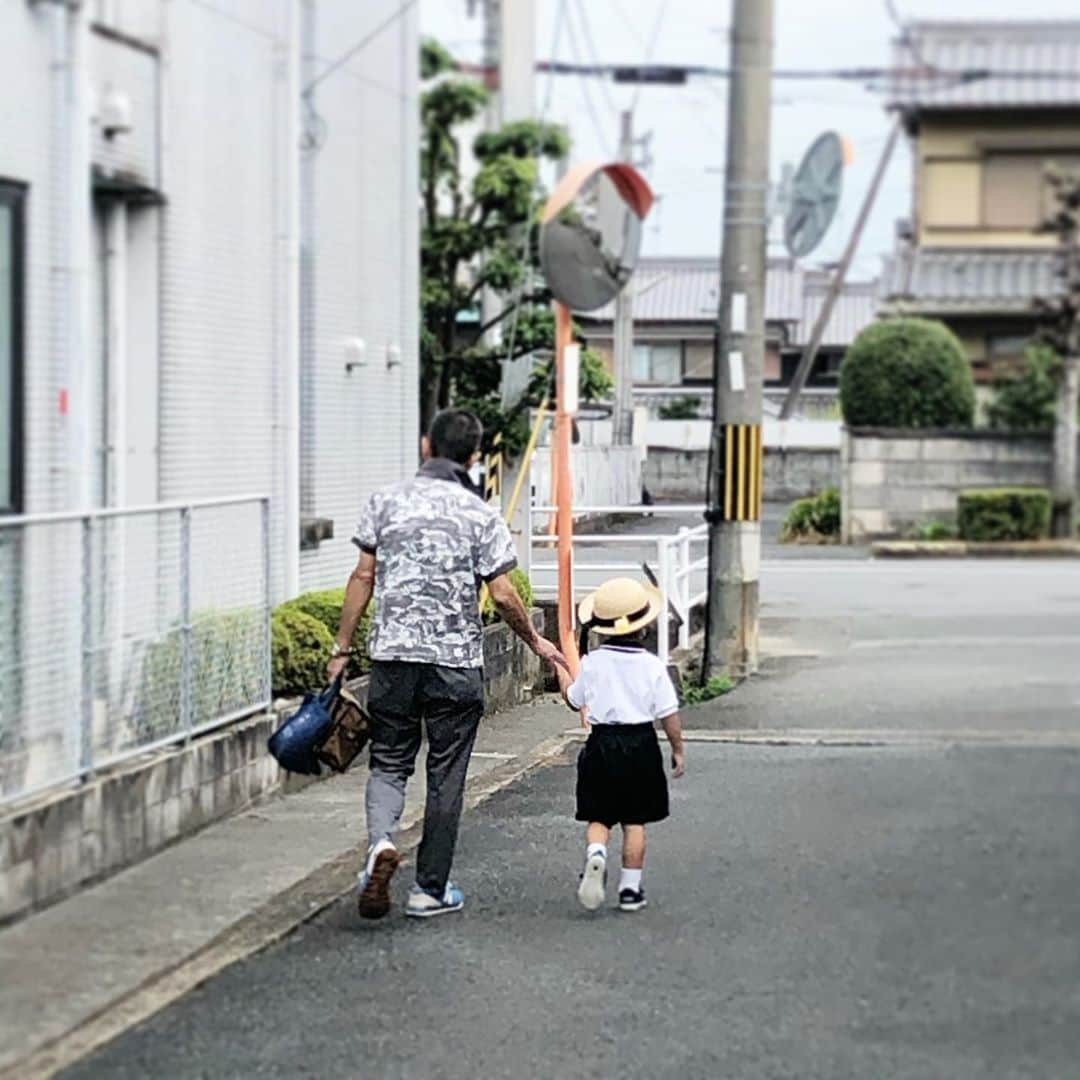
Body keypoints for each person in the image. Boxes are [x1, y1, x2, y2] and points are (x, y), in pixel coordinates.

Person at [328, 409, 568, 920]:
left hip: (393, 659)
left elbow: (363, 576)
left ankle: (380, 847)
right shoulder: (480, 513)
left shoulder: (385, 502)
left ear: (424, 445)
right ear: (475, 457)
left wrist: (341, 648)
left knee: (390, 762)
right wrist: (536, 642)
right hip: (455, 664)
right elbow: (503, 594)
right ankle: (429, 889)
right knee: (445, 775)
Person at [555, 577, 685, 913]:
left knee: (599, 816)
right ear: (643, 628)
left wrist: (560, 669)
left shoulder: (594, 663)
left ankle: (596, 853)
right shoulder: (652, 667)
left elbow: (573, 699)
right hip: (640, 743)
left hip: (601, 744)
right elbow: (668, 714)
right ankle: (630, 890)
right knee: (634, 820)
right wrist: (678, 749)